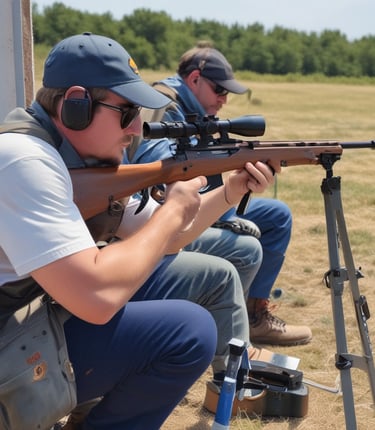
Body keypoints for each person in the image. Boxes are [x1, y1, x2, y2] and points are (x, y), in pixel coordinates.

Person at [0, 33, 279, 430]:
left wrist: (230, 191)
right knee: (190, 331)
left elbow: (167, 238)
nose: (135, 129)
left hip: (29, 315)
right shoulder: (25, 160)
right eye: (126, 111)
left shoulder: (75, 160)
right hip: (11, 332)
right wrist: (171, 212)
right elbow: (97, 298)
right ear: (75, 105)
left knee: (201, 277)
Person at [128, 42, 313, 346]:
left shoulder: (192, 109)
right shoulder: (163, 106)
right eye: (219, 90)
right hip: (160, 216)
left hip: (195, 204)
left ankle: (254, 316)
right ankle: (226, 340)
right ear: (195, 79)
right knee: (247, 246)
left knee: (277, 215)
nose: (224, 100)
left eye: (228, 93)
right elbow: (156, 175)